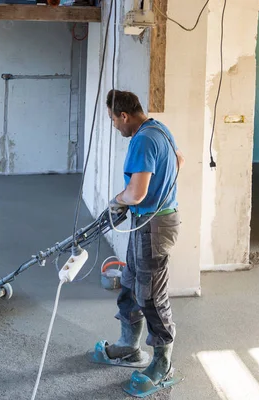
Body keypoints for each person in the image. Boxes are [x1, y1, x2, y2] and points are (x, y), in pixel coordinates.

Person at [90, 89, 184, 396]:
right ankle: (128, 346)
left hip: (154, 226)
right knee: (130, 282)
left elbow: (136, 194)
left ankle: (163, 362)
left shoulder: (142, 139)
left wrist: (117, 201)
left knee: (151, 295)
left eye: (114, 120)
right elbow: (178, 160)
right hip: (149, 220)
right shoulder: (160, 130)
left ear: (124, 115)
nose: (115, 127)